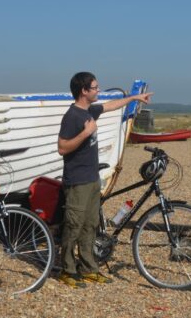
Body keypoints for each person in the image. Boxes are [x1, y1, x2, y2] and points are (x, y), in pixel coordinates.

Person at [57, 72, 152, 288]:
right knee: (73, 226)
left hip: (91, 179)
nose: (99, 91)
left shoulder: (90, 110)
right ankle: (67, 271)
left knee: (90, 225)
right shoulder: (72, 116)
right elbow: (62, 148)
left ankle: (89, 268)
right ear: (84, 91)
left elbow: (112, 105)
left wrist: (134, 99)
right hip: (77, 181)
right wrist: (85, 133)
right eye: (95, 87)